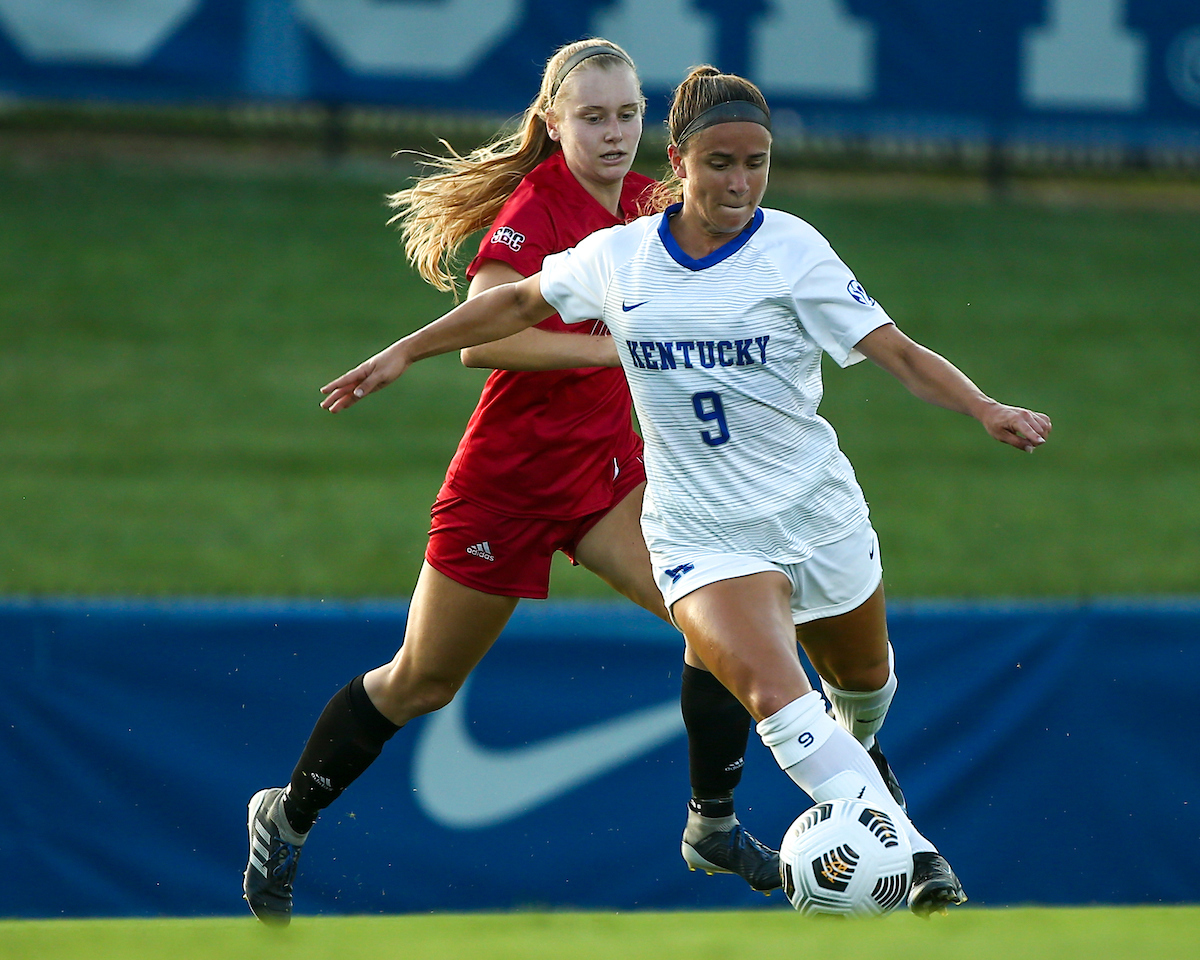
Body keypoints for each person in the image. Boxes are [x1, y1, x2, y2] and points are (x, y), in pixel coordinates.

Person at [317, 65, 1054, 918]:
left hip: (816, 515)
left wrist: (984, 406)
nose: (740, 183)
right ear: (680, 162)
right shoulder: (621, 257)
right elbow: (515, 302)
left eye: (757, 163)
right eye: (720, 164)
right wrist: (407, 350)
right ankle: (914, 860)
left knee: (866, 684)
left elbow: (898, 352)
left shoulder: (793, 250)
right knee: (781, 698)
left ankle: (853, 778)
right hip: (701, 535)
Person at [243, 41, 780, 928]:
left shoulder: (652, 204)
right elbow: (486, 341)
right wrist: (617, 346)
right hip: (507, 487)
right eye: (593, 117)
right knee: (421, 683)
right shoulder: (540, 206)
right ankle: (286, 815)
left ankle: (711, 824)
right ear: (553, 124)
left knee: (717, 609)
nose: (614, 133)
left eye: (627, 114)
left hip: (607, 478)